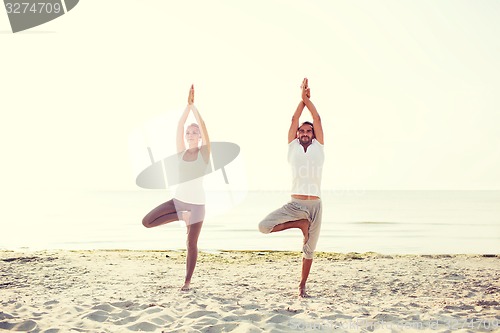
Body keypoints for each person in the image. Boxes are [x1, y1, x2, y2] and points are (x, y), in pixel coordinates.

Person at [258, 78, 324, 297]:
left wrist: (308, 100)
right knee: (263, 226)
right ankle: (299, 224)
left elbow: (317, 118)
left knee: (309, 250)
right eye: (302, 131)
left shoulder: (319, 148)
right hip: (295, 205)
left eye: (308, 131)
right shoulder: (292, 147)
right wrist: (301, 100)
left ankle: (302, 286)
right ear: (297, 134)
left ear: (313, 135)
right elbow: (295, 118)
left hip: (315, 205)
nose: (304, 133)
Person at [142, 85, 210, 291]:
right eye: (189, 132)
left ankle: (187, 282)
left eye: (194, 132)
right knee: (147, 222)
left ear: (198, 137)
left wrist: (195, 108)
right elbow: (179, 126)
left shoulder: (204, 154)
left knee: (191, 244)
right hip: (178, 201)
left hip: (197, 205)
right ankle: (181, 216)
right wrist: (187, 106)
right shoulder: (180, 152)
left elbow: (205, 128)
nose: (190, 134)